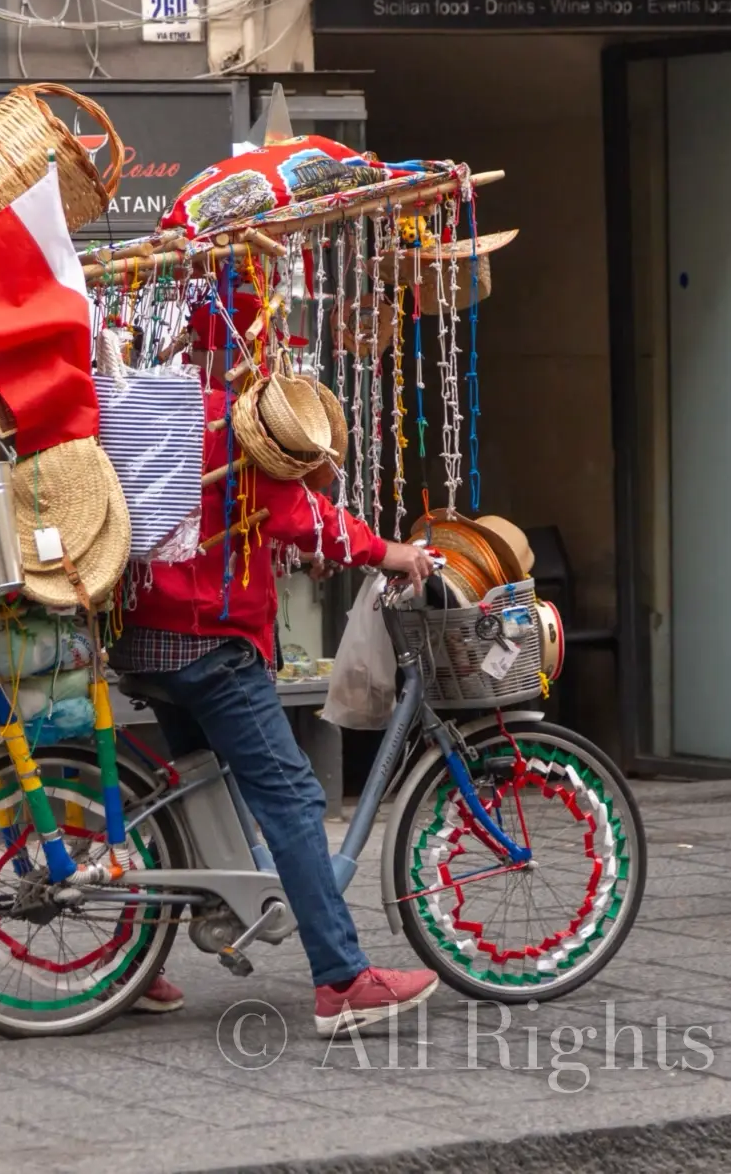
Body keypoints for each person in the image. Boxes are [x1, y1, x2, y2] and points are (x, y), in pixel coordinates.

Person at [110, 289, 440, 1035]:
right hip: (211, 644)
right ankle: (342, 980)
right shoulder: (232, 424)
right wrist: (386, 551)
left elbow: (233, 521)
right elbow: (303, 516)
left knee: (194, 795)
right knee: (290, 796)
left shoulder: (151, 410)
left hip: (148, 636)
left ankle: (134, 960)